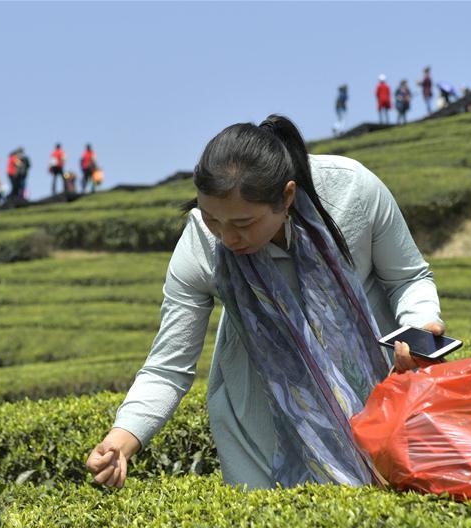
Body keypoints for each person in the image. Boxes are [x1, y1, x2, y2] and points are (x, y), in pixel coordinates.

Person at [85, 114, 445, 492]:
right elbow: (168, 367)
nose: (227, 237)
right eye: (212, 219)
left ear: (286, 196)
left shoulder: (352, 191)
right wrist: (122, 440)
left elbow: (408, 277)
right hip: (260, 432)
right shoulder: (200, 245)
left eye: (243, 223)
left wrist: (420, 326)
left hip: (383, 405)